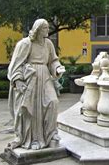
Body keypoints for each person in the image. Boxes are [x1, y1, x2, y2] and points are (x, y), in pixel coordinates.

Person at [7, 19, 66, 150]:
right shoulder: (26, 44)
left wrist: (57, 68)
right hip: (31, 78)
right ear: (38, 29)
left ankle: (51, 135)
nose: (47, 30)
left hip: (45, 76)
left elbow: (53, 61)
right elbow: (15, 64)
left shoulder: (48, 44)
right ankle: (33, 139)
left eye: (47, 27)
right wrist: (18, 80)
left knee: (53, 102)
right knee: (32, 109)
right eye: (45, 28)